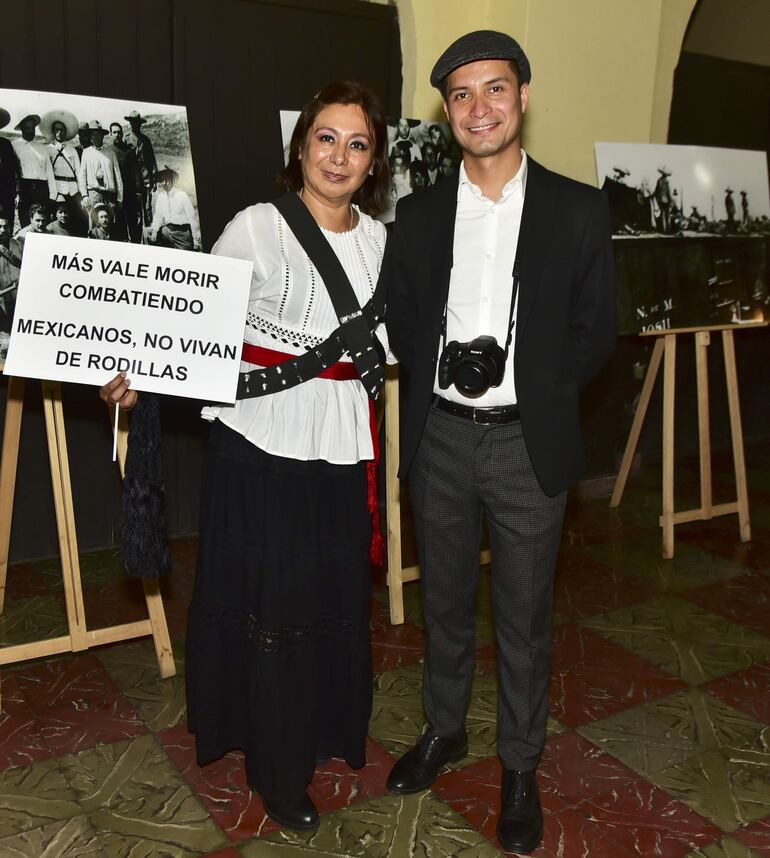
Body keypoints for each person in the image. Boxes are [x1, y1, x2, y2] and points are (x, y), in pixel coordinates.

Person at [99, 80, 391, 834]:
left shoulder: (382, 242)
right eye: (327, 137)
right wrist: (139, 382)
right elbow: (193, 329)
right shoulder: (257, 227)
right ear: (301, 147)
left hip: (341, 444)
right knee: (274, 603)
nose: (339, 155)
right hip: (261, 441)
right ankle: (277, 767)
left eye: (357, 144)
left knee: (328, 598)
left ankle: (321, 733)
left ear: (374, 161)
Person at [384, 31, 616, 855]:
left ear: (521, 97)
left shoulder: (578, 208)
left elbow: (598, 329)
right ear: (448, 113)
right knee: (443, 604)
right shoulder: (416, 215)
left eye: (494, 90)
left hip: (528, 448)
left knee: (523, 619)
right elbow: (402, 315)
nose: (479, 108)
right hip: (440, 438)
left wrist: (540, 390)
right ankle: (445, 730)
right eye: (461, 96)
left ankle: (520, 766)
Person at [42, 110, 86, 236]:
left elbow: (79, 172)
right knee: (58, 222)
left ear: (65, 132)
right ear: (53, 131)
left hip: (73, 191)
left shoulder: (72, 150)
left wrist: (83, 194)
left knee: (74, 221)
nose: (59, 132)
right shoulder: (48, 150)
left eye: (61, 130)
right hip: (57, 191)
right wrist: (53, 194)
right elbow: (49, 173)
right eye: (56, 130)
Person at [12, 114, 56, 228]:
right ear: (21, 129)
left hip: (42, 190)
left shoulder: (42, 148)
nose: (31, 131)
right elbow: (13, 172)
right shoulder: (14, 146)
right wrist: (17, 193)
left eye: (32, 128)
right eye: (27, 128)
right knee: (26, 224)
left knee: (42, 224)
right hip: (25, 190)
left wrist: (52, 194)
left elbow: (49, 171)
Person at [77, 121, 123, 226]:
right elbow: (82, 175)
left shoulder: (110, 153)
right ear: (90, 137)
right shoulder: (86, 153)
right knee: (94, 225)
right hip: (93, 194)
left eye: (99, 134)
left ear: (103, 136)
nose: (96, 137)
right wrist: (84, 195)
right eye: (93, 134)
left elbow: (118, 178)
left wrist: (120, 198)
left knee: (110, 225)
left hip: (109, 195)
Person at [145, 166, 200, 251]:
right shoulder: (161, 196)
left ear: (173, 181)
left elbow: (192, 218)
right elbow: (158, 216)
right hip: (167, 231)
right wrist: (155, 232)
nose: (165, 183)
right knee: (147, 235)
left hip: (182, 234)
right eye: (162, 180)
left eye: (168, 180)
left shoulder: (182, 195)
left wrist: (195, 241)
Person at [109, 122, 143, 242]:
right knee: (117, 220)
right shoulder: (108, 151)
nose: (117, 135)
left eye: (119, 132)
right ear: (110, 134)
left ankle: (134, 242)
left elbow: (136, 172)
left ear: (122, 134)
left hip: (129, 192)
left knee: (132, 219)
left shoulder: (129, 151)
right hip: (114, 193)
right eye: (114, 132)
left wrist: (138, 191)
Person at [124, 110, 157, 225]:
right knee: (134, 207)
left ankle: (148, 230)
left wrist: (154, 178)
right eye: (133, 122)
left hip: (145, 179)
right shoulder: (126, 139)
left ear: (140, 124)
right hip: (132, 180)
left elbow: (152, 161)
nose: (135, 125)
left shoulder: (145, 140)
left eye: (137, 122)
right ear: (130, 123)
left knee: (147, 206)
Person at [0, 108, 19, 222]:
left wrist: (16, 192)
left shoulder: (6, 144)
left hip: (6, 194)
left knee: (7, 225)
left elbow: (14, 170)